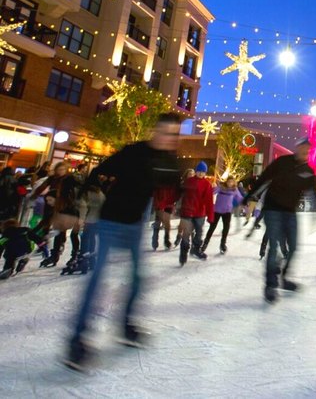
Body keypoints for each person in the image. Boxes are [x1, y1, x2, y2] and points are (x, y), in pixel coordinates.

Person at [64, 113, 181, 371]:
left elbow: (174, 186)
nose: (167, 138)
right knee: (97, 281)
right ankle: (77, 342)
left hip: (135, 226)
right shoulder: (134, 152)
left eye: (173, 134)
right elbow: (98, 171)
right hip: (110, 222)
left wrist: (166, 208)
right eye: (163, 131)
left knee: (139, 278)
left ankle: (126, 326)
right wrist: (75, 206)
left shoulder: (170, 162)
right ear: (155, 130)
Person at [243, 138, 316, 304]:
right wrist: (250, 196)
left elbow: (311, 192)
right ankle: (270, 285)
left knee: (294, 247)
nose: (305, 151)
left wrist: (315, 213)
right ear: (297, 148)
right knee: (274, 245)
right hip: (273, 209)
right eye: (303, 147)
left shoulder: (308, 171)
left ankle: (284, 277)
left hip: (290, 212)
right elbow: (264, 179)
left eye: (308, 149)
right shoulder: (282, 162)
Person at [178, 161, 214, 265]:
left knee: (199, 233)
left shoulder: (207, 184)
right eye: (199, 171)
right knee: (186, 234)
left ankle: (196, 249)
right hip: (187, 212)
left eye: (203, 172)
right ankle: (183, 253)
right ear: (196, 171)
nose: (201, 173)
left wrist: (210, 215)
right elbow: (180, 193)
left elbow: (209, 201)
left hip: (199, 213)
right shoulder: (188, 182)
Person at [203, 176, 238, 254]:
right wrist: (210, 189)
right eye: (229, 181)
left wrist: (246, 204)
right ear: (226, 181)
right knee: (212, 227)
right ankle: (205, 243)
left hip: (227, 211)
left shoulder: (235, 190)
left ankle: (223, 244)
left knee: (226, 228)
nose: (230, 183)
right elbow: (212, 192)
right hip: (217, 210)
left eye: (232, 182)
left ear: (234, 183)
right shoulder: (221, 187)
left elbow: (240, 198)